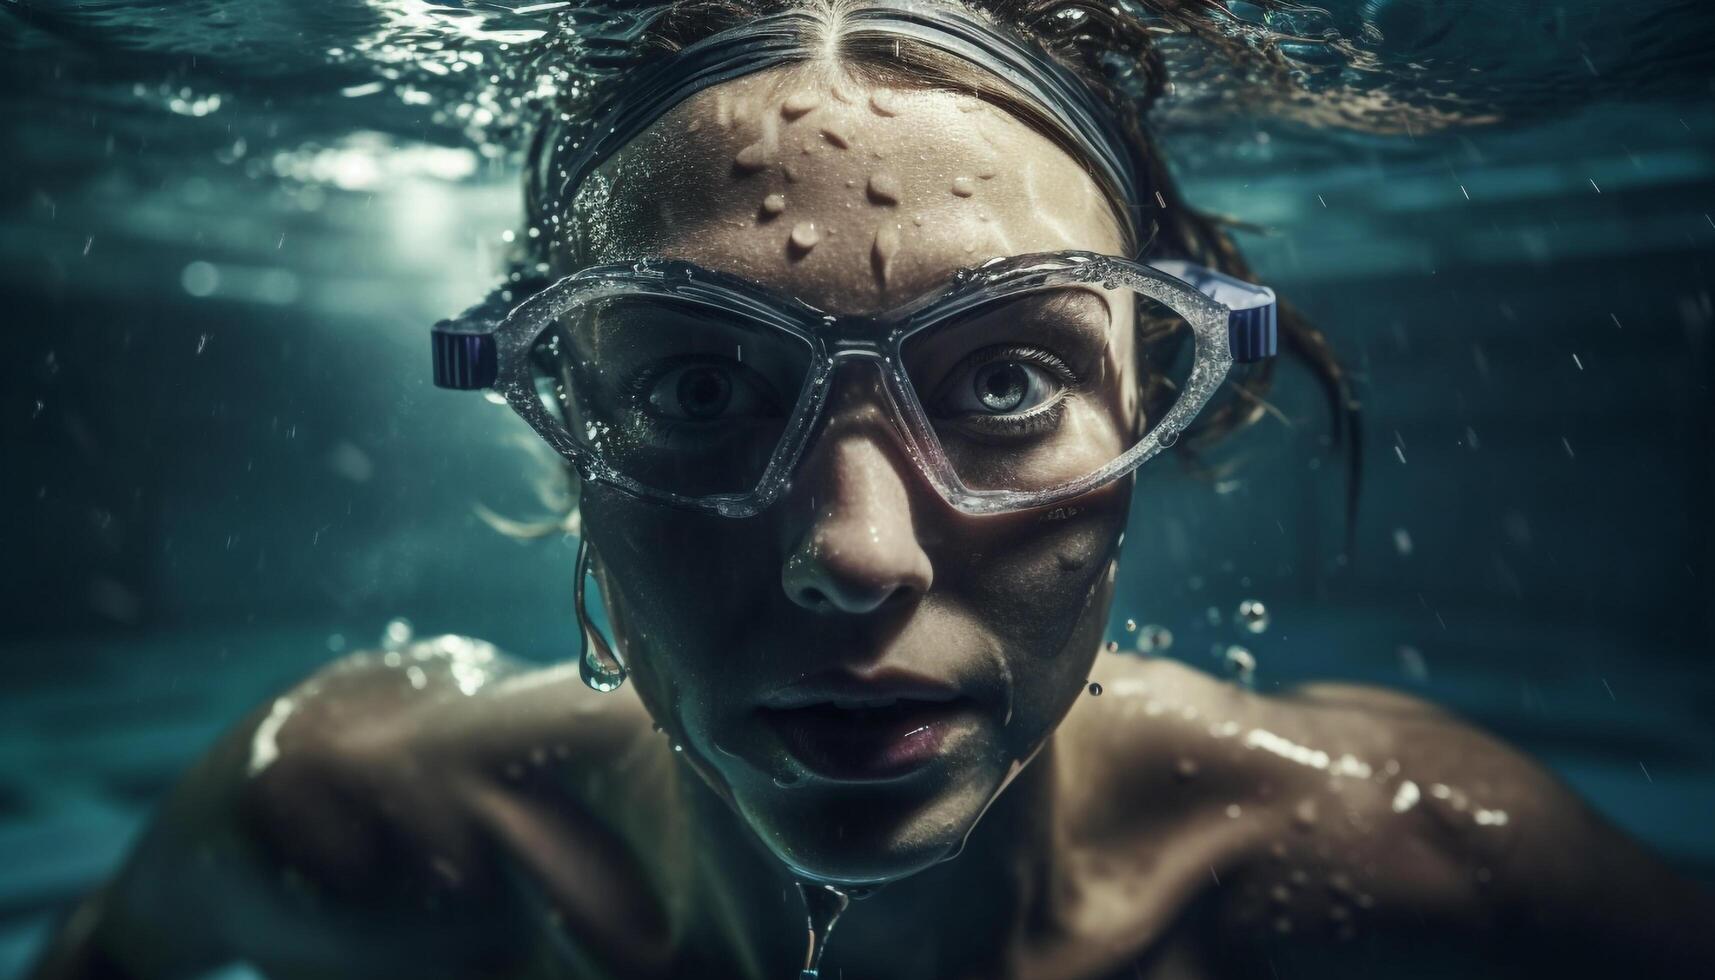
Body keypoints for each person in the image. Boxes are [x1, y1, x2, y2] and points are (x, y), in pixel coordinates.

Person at [29, 1, 1714, 977]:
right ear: (562, 433)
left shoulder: (1428, 873)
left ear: (1164, 406)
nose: (855, 552)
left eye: (1007, 381)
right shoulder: (343, 825)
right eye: (695, 387)